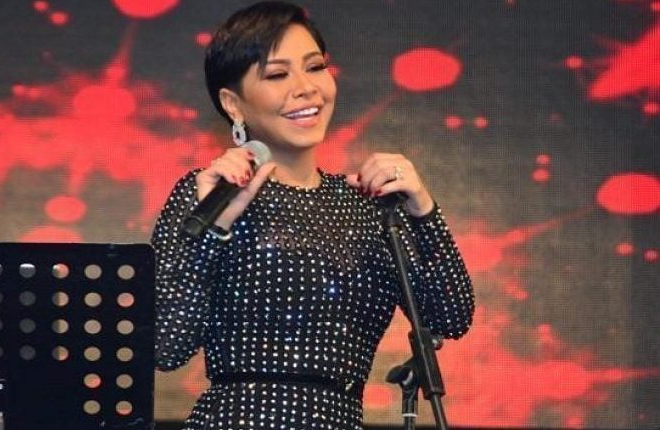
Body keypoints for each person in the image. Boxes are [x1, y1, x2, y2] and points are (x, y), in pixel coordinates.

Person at [152, 2, 475, 429]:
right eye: (277, 75)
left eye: (315, 67)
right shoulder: (209, 194)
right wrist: (214, 232)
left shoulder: (366, 205)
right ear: (233, 104)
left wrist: (423, 210)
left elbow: (450, 317)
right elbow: (165, 346)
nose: (306, 88)